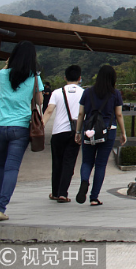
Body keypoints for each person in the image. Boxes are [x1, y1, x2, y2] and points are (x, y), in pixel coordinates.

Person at [0, 41, 44, 221]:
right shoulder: (34, 77)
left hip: (0, 125)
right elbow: (39, 102)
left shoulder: (1, 74)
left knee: (0, 166)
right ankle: (0, 208)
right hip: (21, 127)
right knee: (11, 168)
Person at [73, 65, 127, 206]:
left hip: (88, 131)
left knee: (86, 161)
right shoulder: (115, 94)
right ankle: (94, 197)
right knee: (101, 164)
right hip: (108, 131)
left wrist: (78, 132)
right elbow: (119, 114)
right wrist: (123, 132)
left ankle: (85, 180)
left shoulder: (87, 92)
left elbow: (80, 114)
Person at [42, 65, 84, 202]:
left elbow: (49, 111)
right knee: (69, 163)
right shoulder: (84, 93)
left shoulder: (57, 92)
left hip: (58, 132)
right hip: (75, 132)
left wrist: (40, 126)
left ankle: (54, 192)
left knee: (57, 162)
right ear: (79, 78)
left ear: (65, 77)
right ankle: (62, 193)